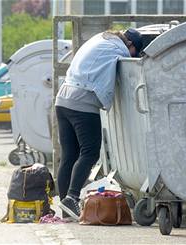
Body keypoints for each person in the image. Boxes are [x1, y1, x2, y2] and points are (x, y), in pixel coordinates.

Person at [55, 28, 143, 221]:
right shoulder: (120, 50)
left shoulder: (101, 38)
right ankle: (72, 197)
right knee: (90, 152)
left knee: (69, 156)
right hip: (83, 102)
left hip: (63, 99)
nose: (134, 55)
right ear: (130, 45)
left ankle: (66, 209)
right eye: (136, 50)